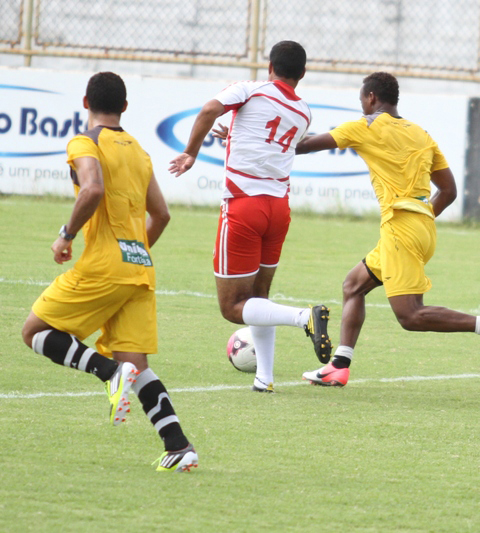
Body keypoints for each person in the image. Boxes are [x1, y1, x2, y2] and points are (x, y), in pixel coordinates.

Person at [292, 72, 480, 387]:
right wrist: (421, 219)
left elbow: (304, 146)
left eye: (362, 99)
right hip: (420, 225)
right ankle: (339, 365)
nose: (362, 105)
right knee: (353, 285)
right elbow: (449, 191)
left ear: (371, 98)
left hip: (401, 229)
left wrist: (256, 137)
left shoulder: (366, 125)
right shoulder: (421, 133)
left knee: (410, 316)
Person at [21, 72, 198, 472]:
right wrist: (133, 252)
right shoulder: (138, 150)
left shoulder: (85, 142)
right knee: (139, 364)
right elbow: (162, 214)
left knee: (34, 332)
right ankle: (179, 445)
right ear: (125, 107)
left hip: (103, 265)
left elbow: (92, 188)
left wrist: (66, 236)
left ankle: (109, 372)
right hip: (139, 269)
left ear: (85, 102)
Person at [168, 41, 331, 393]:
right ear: (302, 74)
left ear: (269, 65)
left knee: (232, 307)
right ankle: (265, 378)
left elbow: (210, 109)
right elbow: (273, 144)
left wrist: (190, 152)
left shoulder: (250, 89)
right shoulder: (303, 112)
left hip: (244, 206)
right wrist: (235, 135)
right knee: (259, 297)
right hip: (278, 210)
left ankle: (303, 317)